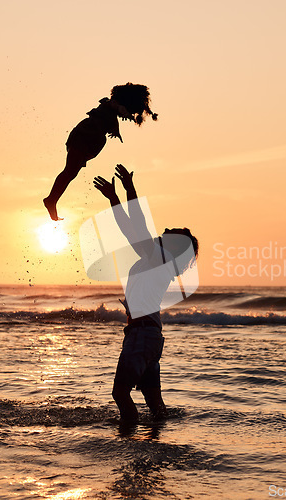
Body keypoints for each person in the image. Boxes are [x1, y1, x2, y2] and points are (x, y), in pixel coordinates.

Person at [93, 164, 199, 424]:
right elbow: (133, 231)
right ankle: (157, 447)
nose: (164, 230)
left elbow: (137, 227)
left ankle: (129, 441)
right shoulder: (161, 261)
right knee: (155, 406)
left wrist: (126, 191)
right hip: (149, 335)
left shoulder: (159, 257)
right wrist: (119, 197)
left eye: (170, 231)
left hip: (142, 335)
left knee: (120, 393)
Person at [43, 83, 158, 221]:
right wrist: (125, 114)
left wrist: (117, 129)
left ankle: (52, 200)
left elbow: (114, 116)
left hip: (89, 140)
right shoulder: (111, 104)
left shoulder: (111, 110)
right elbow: (115, 107)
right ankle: (51, 200)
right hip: (84, 136)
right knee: (69, 171)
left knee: (72, 173)